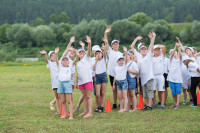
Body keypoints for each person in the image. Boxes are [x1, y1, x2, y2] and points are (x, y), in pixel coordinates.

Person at [136, 32, 156, 111]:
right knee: (145, 93)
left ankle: (149, 106)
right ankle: (146, 105)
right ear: (140, 51)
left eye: (144, 49)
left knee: (149, 92)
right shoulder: (140, 59)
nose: (143, 50)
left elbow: (151, 47)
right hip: (143, 79)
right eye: (142, 49)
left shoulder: (149, 56)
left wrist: (152, 38)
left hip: (149, 77)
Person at [75, 36, 93, 118]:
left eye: (83, 52)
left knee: (89, 96)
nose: (81, 53)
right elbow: (78, 73)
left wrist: (89, 43)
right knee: (85, 96)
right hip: (81, 82)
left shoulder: (87, 58)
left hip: (88, 80)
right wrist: (76, 82)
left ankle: (90, 112)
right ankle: (85, 111)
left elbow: (88, 51)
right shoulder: (78, 63)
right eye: (80, 52)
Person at [104, 27, 122, 109]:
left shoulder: (120, 53)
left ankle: (120, 103)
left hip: (119, 73)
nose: (116, 45)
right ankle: (114, 103)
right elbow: (106, 41)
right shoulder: (110, 52)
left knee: (119, 88)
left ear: (118, 45)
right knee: (113, 89)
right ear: (112, 46)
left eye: (117, 44)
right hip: (111, 73)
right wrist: (106, 33)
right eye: (114, 44)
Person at [57, 47, 76, 119]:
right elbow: (57, 60)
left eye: (66, 60)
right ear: (61, 62)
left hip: (67, 83)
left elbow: (74, 61)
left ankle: (71, 115)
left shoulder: (70, 66)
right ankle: (65, 114)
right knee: (63, 101)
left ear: (68, 62)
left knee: (69, 101)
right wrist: (56, 54)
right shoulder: (60, 67)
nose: (65, 61)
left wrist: (77, 55)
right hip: (60, 83)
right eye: (63, 60)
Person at [40, 48, 60, 115]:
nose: (53, 56)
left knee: (61, 96)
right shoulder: (50, 64)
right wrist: (45, 54)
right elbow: (46, 60)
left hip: (60, 81)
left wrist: (56, 54)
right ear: (50, 58)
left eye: (54, 54)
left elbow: (58, 61)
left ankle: (60, 110)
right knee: (57, 96)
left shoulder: (59, 62)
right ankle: (58, 110)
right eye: (52, 55)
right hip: (54, 82)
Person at [92, 43, 108, 113]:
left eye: (99, 53)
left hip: (103, 75)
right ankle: (98, 106)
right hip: (97, 76)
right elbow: (94, 69)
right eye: (96, 53)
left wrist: (104, 50)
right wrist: (96, 60)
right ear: (95, 54)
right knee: (98, 93)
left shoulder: (104, 59)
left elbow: (104, 54)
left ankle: (102, 107)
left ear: (101, 54)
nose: (98, 54)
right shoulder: (93, 60)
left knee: (103, 92)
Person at [113, 46, 129, 112]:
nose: (121, 61)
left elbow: (127, 60)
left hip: (124, 82)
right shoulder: (116, 67)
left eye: (122, 60)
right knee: (120, 96)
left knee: (125, 96)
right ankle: (121, 108)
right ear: (117, 61)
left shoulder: (125, 66)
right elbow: (115, 76)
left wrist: (125, 51)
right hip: (118, 82)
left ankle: (125, 108)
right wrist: (114, 84)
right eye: (119, 60)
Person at [167, 42, 183, 110]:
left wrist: (178, 47)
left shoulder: (179, 60)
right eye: (172, 53)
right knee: (173, 92)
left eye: (175, 53)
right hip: (171, 78)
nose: (174, 54)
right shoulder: (170, 60)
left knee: (178, 91)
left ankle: (177, 104)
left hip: (178, 78)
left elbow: (181, 55)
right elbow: (172, 54)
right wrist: (175, 47)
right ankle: (175, 103)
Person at [152, 44, 166, 109]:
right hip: (154, 76)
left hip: (160, 75)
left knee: (162, 90)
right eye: (156, 50)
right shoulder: (151, 58)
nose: (158, 51)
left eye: (158, 50)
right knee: (153, 90)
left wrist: (157, 45)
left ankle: (162, 104)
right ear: (153, 51)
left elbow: (164, 47)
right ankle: (154, 103)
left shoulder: (161, 57)